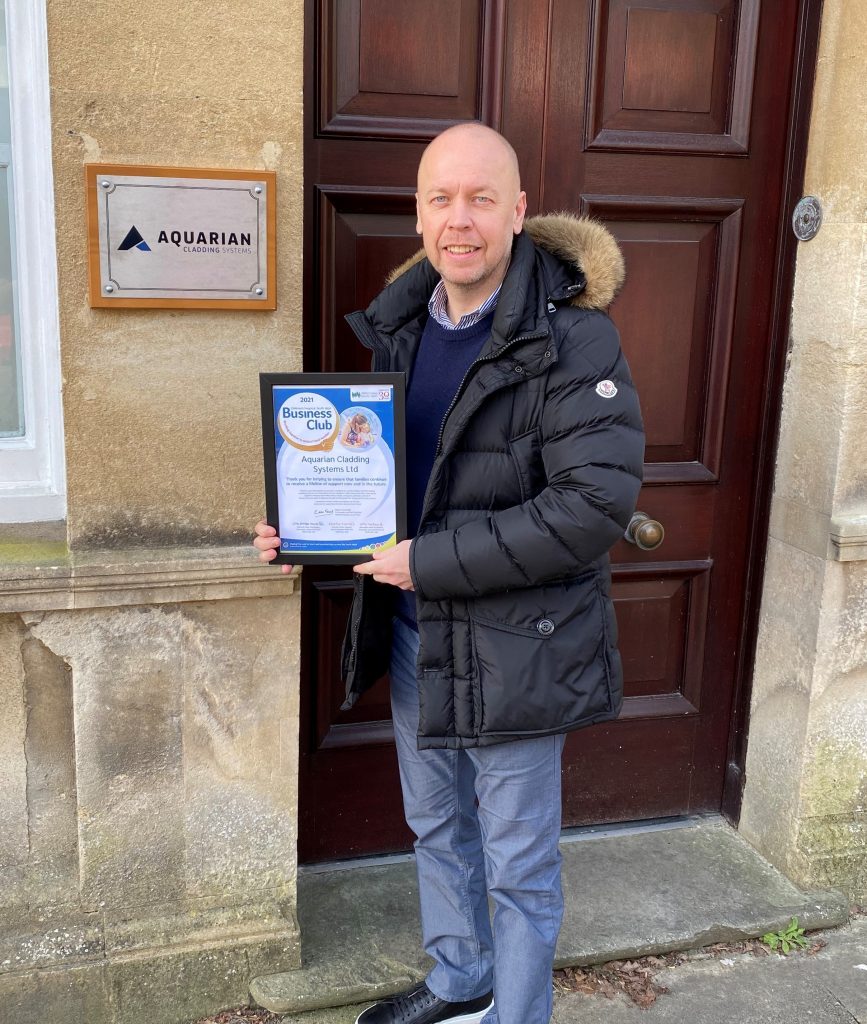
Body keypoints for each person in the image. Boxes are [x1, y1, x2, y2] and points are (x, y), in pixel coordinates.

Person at [254, 122, 644, 1024]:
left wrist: (425, 562)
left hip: (521, 648)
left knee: (518, 864)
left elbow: (588, 511)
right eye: (440, 198)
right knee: (436, 827)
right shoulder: (402, 330)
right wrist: (306, 536)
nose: (457, 220)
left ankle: (516, 1015)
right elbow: (387, 490)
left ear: (516, 211)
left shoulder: (576, 342)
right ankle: (459, 976)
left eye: (478, 198)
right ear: (418, 212)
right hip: (417, 633)